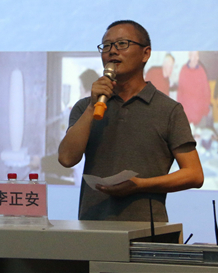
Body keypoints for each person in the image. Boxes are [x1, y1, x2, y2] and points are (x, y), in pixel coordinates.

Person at [58, 21, 203, 221]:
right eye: (106, 46)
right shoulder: (86, 107)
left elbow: (194, 174)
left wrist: (141, 185)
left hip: (147, 231)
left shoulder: (168, 110)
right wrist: (92, 106)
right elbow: (66, 159)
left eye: (122, 44)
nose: (112, 51)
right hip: (93, 228)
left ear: (146, 53)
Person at [177, 51, 211, 126]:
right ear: (189, 56)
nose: (195, 58)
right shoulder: (183, 70)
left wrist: (205, 111)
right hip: (186, 117)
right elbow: (180, 93)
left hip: (200, 117)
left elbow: (206, 92)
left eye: (197, 56)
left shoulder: (201, 71)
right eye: (193, 56)